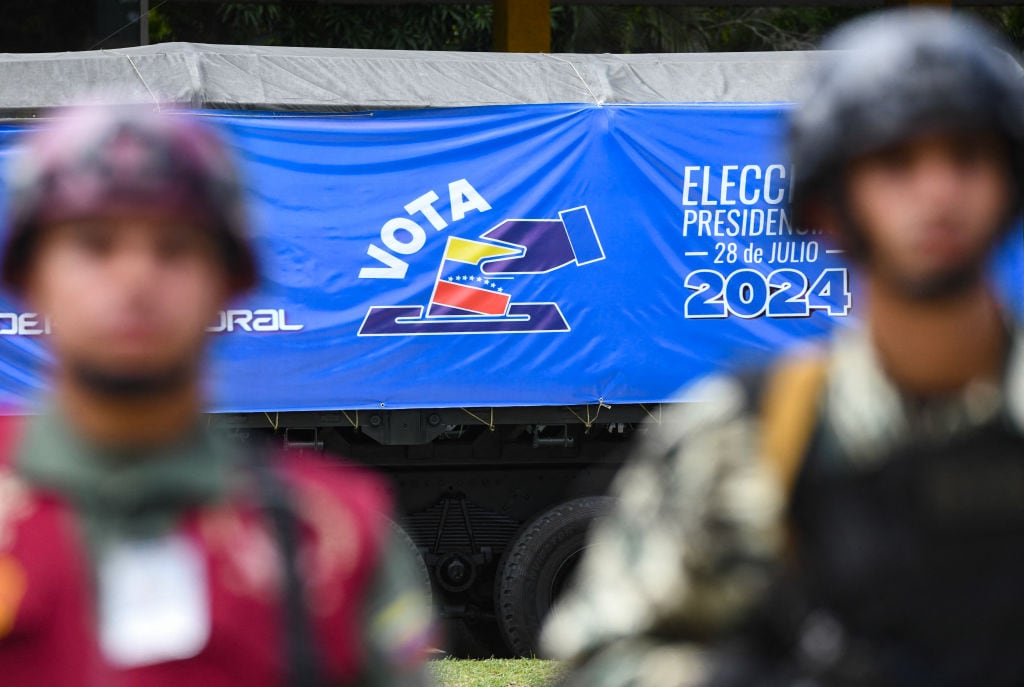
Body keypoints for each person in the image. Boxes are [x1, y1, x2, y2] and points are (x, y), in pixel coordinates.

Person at [542, 9, 1024, 686]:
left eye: (968, 157)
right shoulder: (747, 437)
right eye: (895, 161)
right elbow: (596, 658)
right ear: (828, 207)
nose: (938, 191)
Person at [0, 105, 436, 686]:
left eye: (174, 248)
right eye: (95, 244)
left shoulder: (334, 541)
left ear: (232, 285)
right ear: (28, 279)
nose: (135, 278)